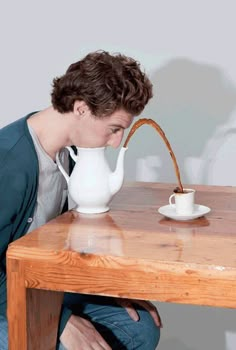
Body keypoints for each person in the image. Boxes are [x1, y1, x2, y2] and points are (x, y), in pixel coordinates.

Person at [0, 50, 162, 349]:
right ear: (81, 109)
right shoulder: (8, 163)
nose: (116, 143)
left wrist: (108, 284)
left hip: (40, 285)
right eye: (114, 130)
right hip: (4, 295)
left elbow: (62, 240)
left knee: (140, 327)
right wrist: (59, 322)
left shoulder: (68, 154)